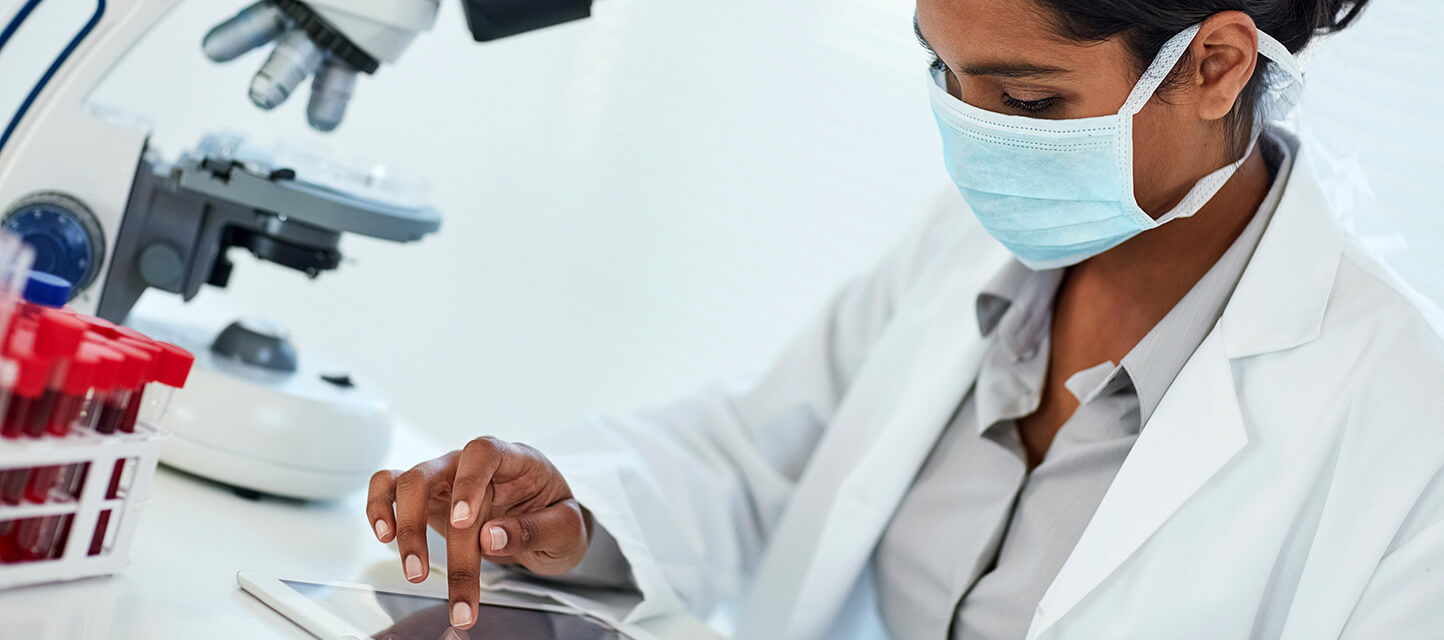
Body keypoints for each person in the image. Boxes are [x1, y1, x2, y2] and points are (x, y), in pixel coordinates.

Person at [367, 0, 1444, 637]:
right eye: (945, 75)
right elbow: (762, 466)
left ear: (1215, 65)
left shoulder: (1402, 421)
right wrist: (575, 515)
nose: (975, 139)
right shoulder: (971, 244)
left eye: (1026, 104)